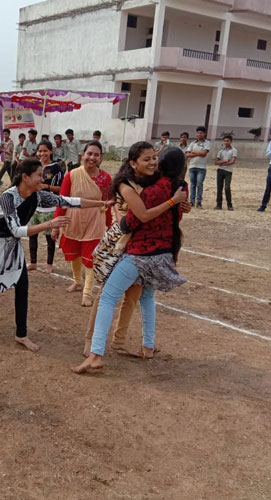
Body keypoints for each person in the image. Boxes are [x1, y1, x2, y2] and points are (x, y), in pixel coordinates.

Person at [0, 158, 110, 352]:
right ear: (25, 177)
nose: (43, 179)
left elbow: (69, 201)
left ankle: (21, 334)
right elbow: (16, 230)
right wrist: (49, 224)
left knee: (22, 287)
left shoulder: (37, 195)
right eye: (39, 175)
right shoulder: (7, 198)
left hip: (12, 245)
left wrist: (101, 203)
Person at [73, 147, 188, 374]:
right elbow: (176, 213)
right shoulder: (180, 187)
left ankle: (95, 354)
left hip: (140, 253)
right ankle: (148, 346)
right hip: (163, 253)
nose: (152, 162)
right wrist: (175, 202)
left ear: (161, 164)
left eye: (154, 158)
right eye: (148, 159)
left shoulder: (152, 190)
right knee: (146, 297)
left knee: (107, 297)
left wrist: (122, 224)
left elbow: (134, 221)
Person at [52, 141, 112, 307]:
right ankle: (77, 281)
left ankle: (87, 292)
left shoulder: (106, 178)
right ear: (83, 155)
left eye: (96, 155)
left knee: (91, 257)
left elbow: (107, 203)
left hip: (95, 222)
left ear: (101, 158)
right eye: (89, 154)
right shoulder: (71, 175)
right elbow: (62, 201)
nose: (92, 157)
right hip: (74, 220)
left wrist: (109, 224)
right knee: (75, 253)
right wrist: (56, 225)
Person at [28, 140, 64, 274]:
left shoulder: (56, 168)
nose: (42, 153)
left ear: (51, 151)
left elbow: (61, 188)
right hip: (35, 208)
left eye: (45, 151)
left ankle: (49, 264)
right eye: (40, 151)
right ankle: (33, 262)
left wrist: (47, 186)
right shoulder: (35, 166)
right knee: (32, 236)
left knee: (50, 238)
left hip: (49, 209)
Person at [185, 126, 210, 208]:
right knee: (192, 184)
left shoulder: (207, 143)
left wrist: (194, 152)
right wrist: (199, 153)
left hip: (201, 167)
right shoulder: (193, 143)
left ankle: (199, 202)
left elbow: (204, 153)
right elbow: (187, 154)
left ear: (204, 134)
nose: (199, 134)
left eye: (201, 133)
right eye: (198, 133)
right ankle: (192, 201)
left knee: (199, 184)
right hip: (192, 166)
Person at [214, 135, 237, 211]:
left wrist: (222, 163)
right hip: (220, 171)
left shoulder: (234, 150)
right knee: (219, 188)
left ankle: (229, 205)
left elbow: (232, 161)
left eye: (227, 141)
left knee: (227, 188)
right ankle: (218, 204)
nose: (226, 142)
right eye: (225, 141)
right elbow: (216, 162)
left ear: (231, 141)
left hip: (228, 171)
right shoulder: (221, 151)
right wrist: (225, 161)